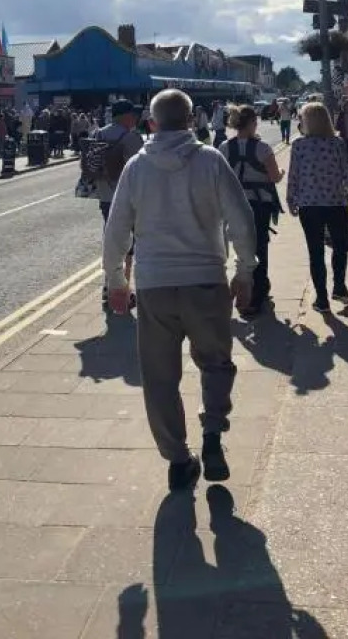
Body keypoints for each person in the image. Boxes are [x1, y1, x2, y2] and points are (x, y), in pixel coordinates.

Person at [104, 89, 258, 491]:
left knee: (159, 378)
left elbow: (116, 229)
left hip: (154, 286)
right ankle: (212, 434)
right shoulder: (211, 160)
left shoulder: (137, 167)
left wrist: (116, 282)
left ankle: (177, 460)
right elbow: (241, 219)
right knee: (216, 364)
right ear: (192, 121)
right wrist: (245, 272)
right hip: (206, 280)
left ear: (151, 123)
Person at [287, 101, 348, 312]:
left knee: (316, 251)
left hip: (309, 206)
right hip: (336, 203)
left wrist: (291, 200)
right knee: (340, 246)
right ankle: (339, 287)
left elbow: (293, 176)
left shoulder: (298, 145)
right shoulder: (337, 143)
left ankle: (322, 299)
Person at [220, 105, 284, 318]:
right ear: (251, 123)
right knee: (260, 246)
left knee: (241, 246)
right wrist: (282, 172)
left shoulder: (224, 147)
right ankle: (257, 290)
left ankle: (243, 286)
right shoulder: (262, 148)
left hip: (234, 204)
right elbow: (274, 177)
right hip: (259, 203)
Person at [89, 100, 144, 311]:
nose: (135, 118)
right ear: (125, 116)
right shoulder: (131, 137)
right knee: (128, 245)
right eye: (133, 115)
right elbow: (140, 169)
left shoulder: (98, 134)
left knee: (111, 240)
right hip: (126, 197)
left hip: (104, 196)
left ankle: (108, 286)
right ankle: (123, 291)